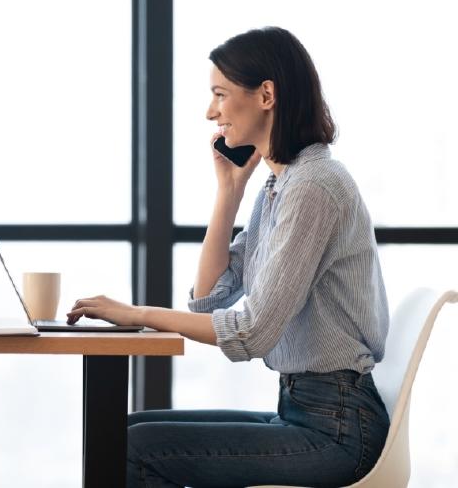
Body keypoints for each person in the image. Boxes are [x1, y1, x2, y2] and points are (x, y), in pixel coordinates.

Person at [66, 26, 390, 487]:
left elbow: (253, 333)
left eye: (220, 94)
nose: (210, 111)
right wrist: (229, 194)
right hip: (307, 410)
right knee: (121, 434)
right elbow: (210, 296)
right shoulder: (282, 186)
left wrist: (137, 313)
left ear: (266, 95)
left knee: (132, 451)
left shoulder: (314, 187)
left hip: (337, 430)